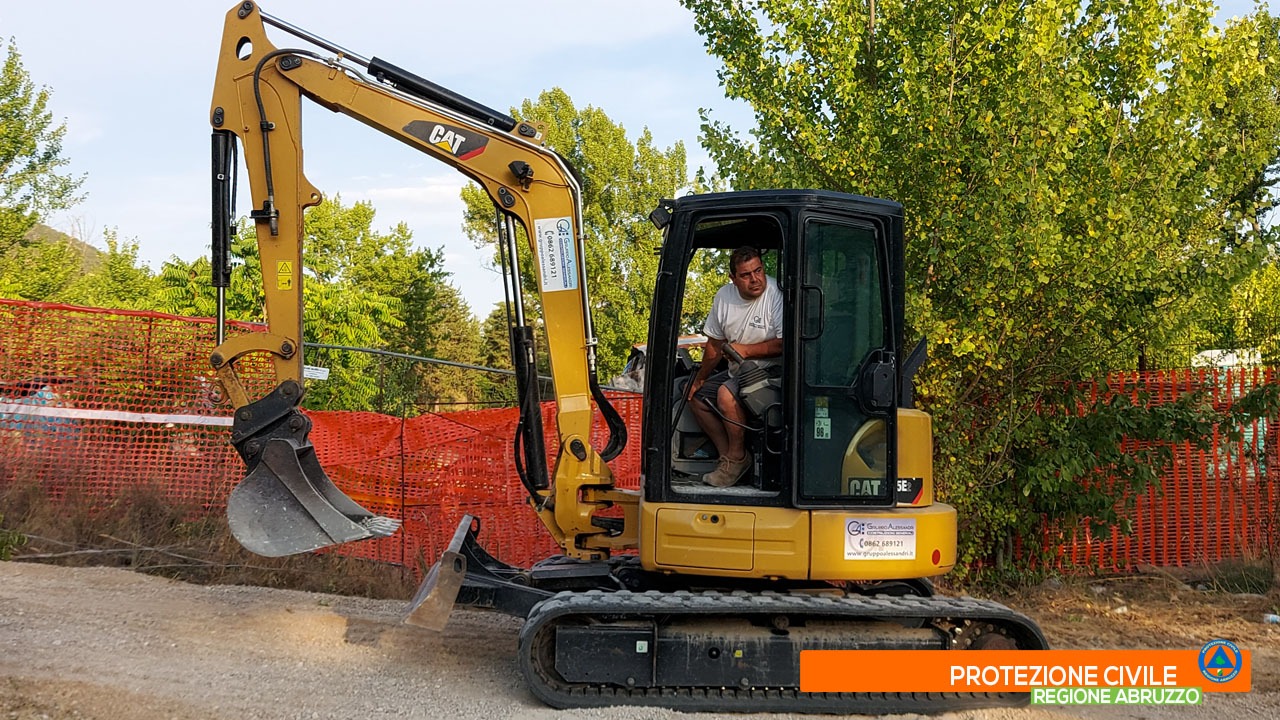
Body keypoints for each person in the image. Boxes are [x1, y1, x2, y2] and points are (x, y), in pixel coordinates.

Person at [684, 246, 783, 487]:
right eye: (746, 275)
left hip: (773, 371)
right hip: (738, 371)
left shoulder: (776, 294)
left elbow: (784, 344)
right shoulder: (724, 297)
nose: (755, 279)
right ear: (733, 278)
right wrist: (699, 379)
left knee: (725, 395)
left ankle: (736, 457)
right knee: (696, 397)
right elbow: (714, 345)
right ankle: (729, 457)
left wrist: (745, 350)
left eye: (758, 271)